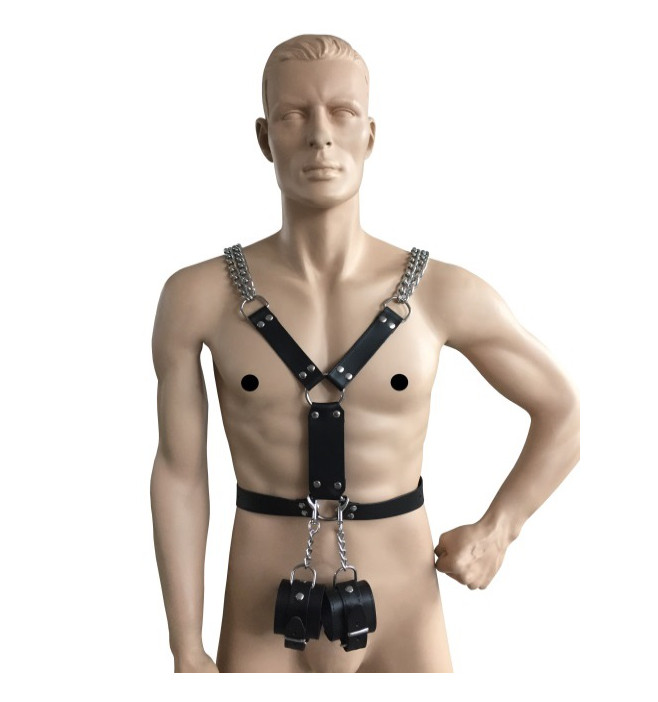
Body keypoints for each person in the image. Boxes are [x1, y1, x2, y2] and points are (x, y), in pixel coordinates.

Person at [150, 33, 580, 673]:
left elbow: (563, 411)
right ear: (264, 137)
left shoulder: (442, 294)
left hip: (404, 615)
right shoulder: (198, 297)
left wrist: (500, 529)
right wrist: (185, 646)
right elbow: (180, 473)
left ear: (370, 134)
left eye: (342, 113)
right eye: (294, 115)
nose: (320, 136)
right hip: (262, 614)